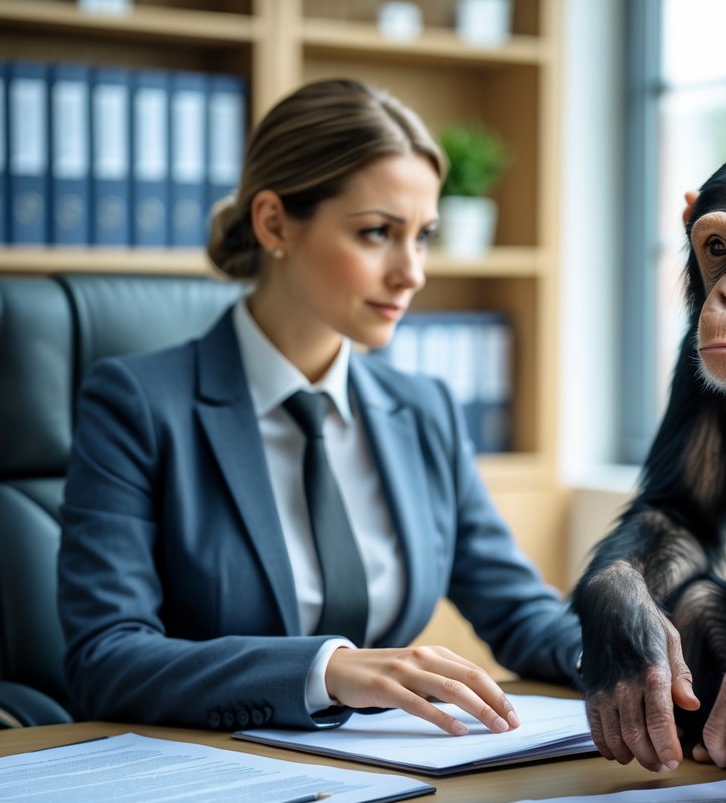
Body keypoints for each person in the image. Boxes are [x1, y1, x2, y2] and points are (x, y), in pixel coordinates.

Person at [57, 78, 581, 734]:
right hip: (208, 777)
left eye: (422, 236)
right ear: (274, 222)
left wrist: (637, 661)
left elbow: (519, 612)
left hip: (384, 773)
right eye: (376, 233)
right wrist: (326, 670)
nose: (411, 271)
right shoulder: (137, 405)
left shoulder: (423, 410)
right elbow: (106, 659)